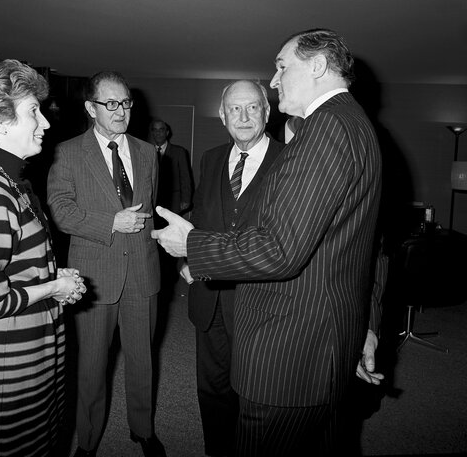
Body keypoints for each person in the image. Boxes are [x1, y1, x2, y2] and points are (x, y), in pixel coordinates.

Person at [152, 28, 384, 456]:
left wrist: (193, 247)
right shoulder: (350, 123)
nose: (275, 80)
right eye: (233, 109)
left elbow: (282, 250)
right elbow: (349, 249)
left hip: (287, 348)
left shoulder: (325, 130)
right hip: (314, 338)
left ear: (315, 66)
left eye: (281, 67)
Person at [0, 59, 86, 457]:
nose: (45, 123)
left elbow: (10, 267)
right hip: (9, 369)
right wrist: (53, 286)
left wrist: (49, 273)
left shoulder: (10, 181)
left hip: (31, 355)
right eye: (33, 112)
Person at [47, 71, 166, 457]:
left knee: (142, 360)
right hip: (93, 275)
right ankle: (88, 438)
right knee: (91, 365)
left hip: (143, 273)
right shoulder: (68, 152)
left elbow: (148, 211)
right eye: (110, 104)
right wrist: (109, 223)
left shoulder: (147, 153)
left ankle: (143, 430)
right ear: (90, 108)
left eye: (126, 103)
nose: (120, 111)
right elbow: (61, 211)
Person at [181, 80, 285, 457]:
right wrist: (188, 258)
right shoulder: (209, 159)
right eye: (235, 110)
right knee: (211, 388)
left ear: (267, 112)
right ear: (222, 115)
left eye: (253, 108)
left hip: (262, 302)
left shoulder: (291, 161)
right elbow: (200, 217)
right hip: (209, 297)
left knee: (258, 393)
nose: (243, 117)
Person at [149, 119, 193, 226]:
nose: (158, 133)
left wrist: (186, 199)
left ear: (167, 132)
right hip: (152, 201)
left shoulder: (179, 152)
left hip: (173, 201)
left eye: (161, 130)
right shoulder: (146, 151)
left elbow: (185, 177)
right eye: (155, 130)